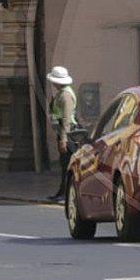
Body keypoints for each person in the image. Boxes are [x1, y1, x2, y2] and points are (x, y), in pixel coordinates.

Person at [46, 66, 78, 203]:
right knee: (64, 163)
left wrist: (63, 139)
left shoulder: (65, 95)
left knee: (67, 164)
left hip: (67, 133)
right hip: (62, 131)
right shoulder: (61, 93)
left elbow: (66, 119)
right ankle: (61, 191)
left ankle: (66, 193)